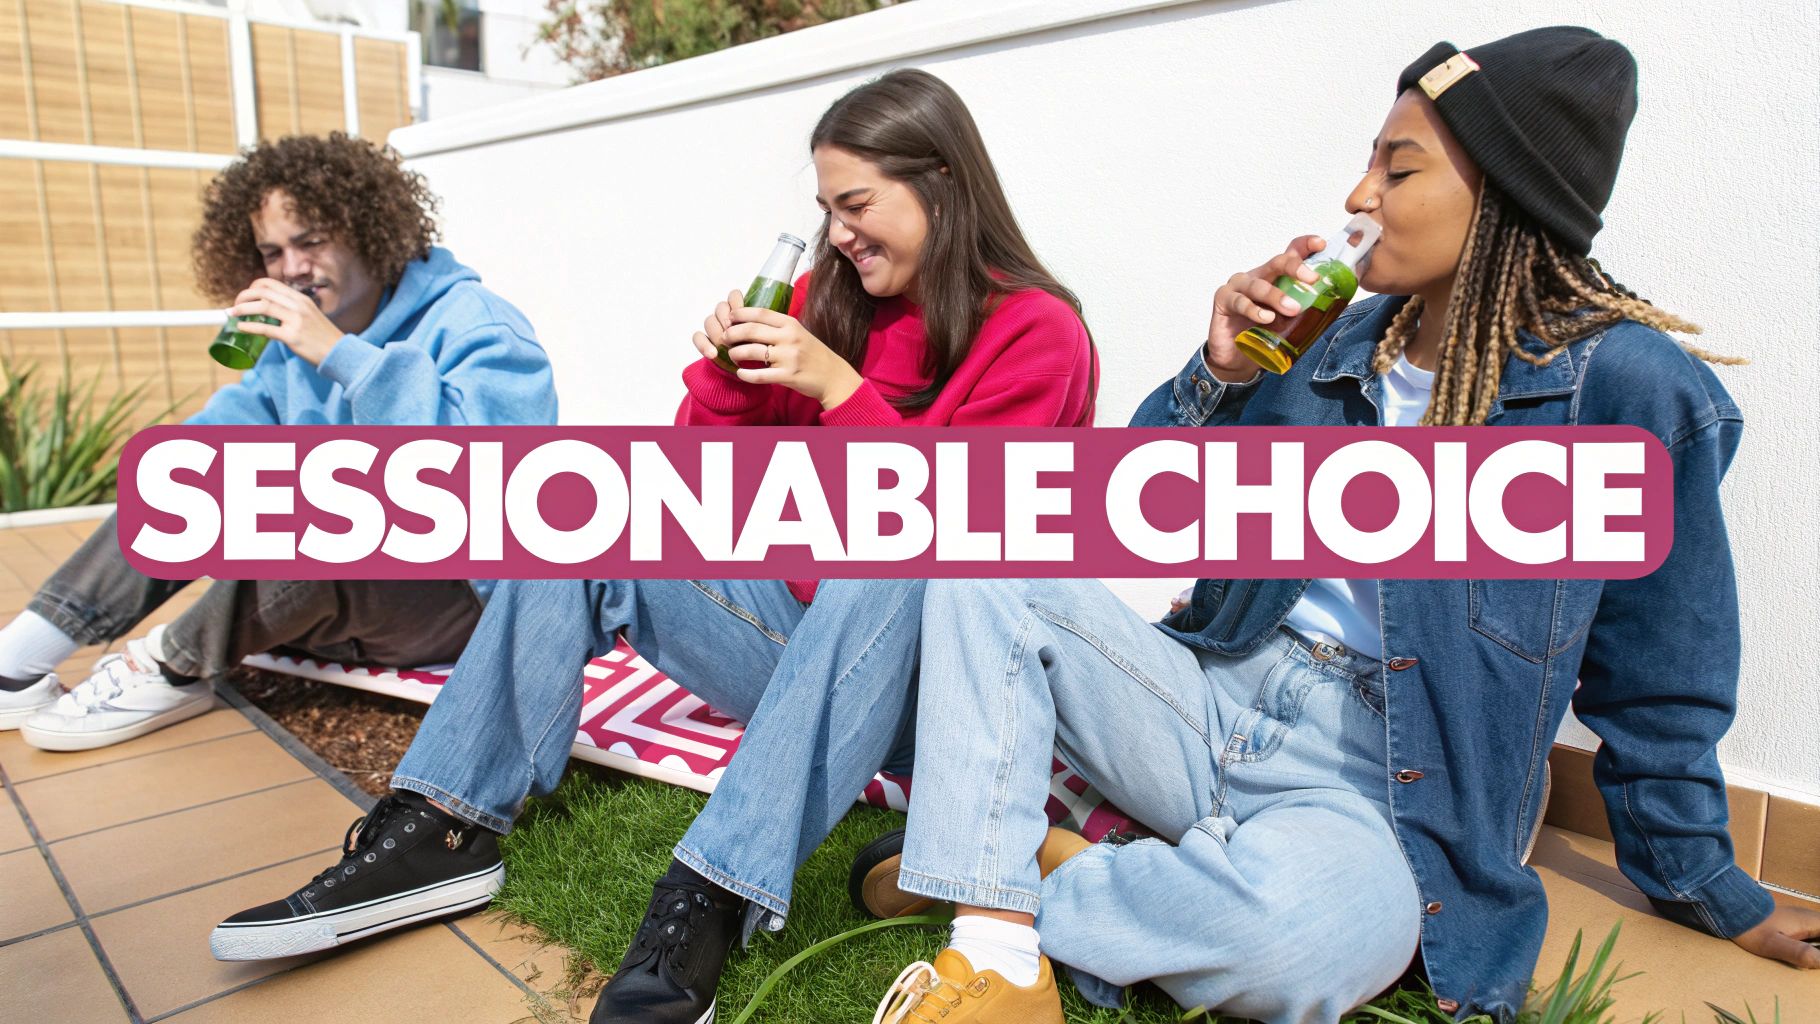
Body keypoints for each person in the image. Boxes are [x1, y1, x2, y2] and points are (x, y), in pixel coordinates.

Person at [871, 28, 1820, 1024]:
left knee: (1301, 941)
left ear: (1503, 190)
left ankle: (1011, 870)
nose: (1357, 196)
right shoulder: (1332, 340)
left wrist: (1707, 886)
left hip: (1382, 788)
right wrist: (1220, 373)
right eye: (1367, 162)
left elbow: (1661, 669)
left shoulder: (1622, 389)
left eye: (1395, 167)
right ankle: (997, 947)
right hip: (1214, 693)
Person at [208, 69, 1098, 981]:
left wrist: (840, 390)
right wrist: (728, 378)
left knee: (902, 565)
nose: (837, 233)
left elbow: (967, 528)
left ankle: (712, 889)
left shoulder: (1037, 332)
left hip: (931, 692)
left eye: (856, 204)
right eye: (828, 209)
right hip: (795, 642)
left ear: (942, 183)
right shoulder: (841, 310)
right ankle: (442, 826)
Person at [0, 133, 557, 752]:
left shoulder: (475, 322)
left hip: (451, 606)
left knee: (336, 507)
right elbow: (219, 442)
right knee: (183, 471)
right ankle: (15, 665)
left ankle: (173, 666)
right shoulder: (286, 346)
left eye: (311, 241)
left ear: (370, 228)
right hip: (316, 612)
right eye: (273, 251)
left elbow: (497, 482)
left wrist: (342, 356)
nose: (291, 267)